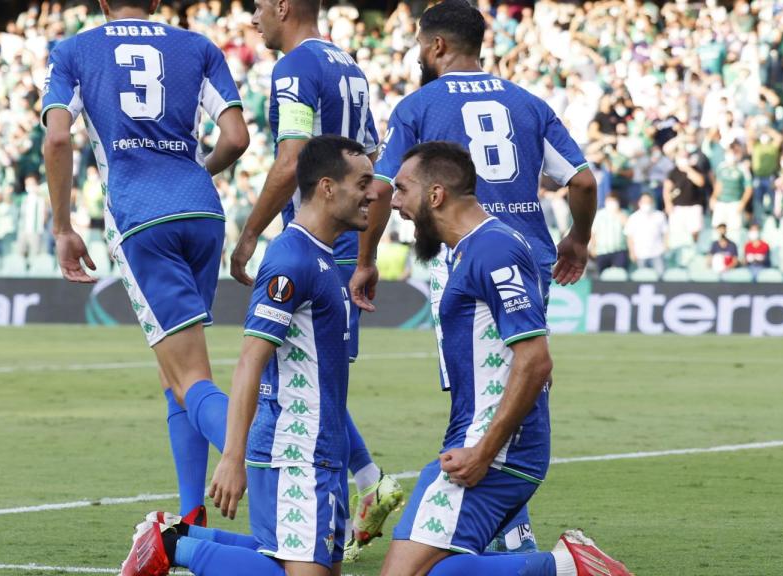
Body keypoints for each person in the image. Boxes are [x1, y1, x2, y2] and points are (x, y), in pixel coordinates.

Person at [349, 0, 597, 554]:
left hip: (463, 255)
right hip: (528, 255)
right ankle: (510, 528)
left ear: (436, 45)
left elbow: (383, 189)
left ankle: (509, 532)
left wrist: (366, 260)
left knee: (479, 390)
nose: (418, 54)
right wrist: (578, 238)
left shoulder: (419, 105)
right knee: (520, 376)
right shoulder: (528, 102)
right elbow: (581, 180)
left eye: (419, 45)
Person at [120, 135, 378, 576]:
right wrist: (232, 457)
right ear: (327, 187)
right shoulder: (290, 259)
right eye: (363, 182)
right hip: (293, 453)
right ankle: (170, 547)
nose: (373, 193)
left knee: (297, 563)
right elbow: (249, 362)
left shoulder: (322, 257)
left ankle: (177, 537)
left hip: (323, 453)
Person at [42, 0, 250, 528]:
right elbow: (236, 137)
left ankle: (267, 464)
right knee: (176, 371)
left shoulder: (74, 51)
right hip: (203, 212)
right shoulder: (198, 46)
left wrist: (63, 227)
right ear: (157, 2)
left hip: (141, 215)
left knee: (190, 375)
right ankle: (192, 516)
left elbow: (58, 136)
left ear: (102, 2)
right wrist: (197, 173)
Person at [379, 141, 631, 576]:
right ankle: (565, 565)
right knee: (439, 568)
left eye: (402, 189)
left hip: (493, 452)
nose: (393, 202)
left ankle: (565, 568)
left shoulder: (492, 249)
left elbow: (536, 362)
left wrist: (483, 451)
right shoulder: (473, 248)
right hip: (481, 443)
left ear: (435, 195)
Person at [227, 0, 403, 558]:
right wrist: (366, 254)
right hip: (345, 241)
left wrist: (250, 233)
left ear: (284, 6)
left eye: (259, 6)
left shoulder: (296, 67)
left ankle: (302, 500)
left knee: (295, 378)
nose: (255, 18)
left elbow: (292, 158)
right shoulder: (348, 64)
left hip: (317, 237)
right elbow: (373, 174)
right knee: (319, 377)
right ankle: (365, 480)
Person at [625, 193, 667, 275]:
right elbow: (629, 237)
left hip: (657, 252)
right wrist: (632, 252)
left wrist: (665, 246)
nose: (646, 204)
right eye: (644, 202)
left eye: (648, 202)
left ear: (652, 203)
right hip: (640, 254)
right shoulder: (633, 218)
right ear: (639, 203)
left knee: (660, 276)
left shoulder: (659, 215)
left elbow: (666, 232)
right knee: (642, 277)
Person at [591, 193, 629, 272]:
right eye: (609, 201)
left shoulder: (624, 213)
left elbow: (629, 230)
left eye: (614, 201)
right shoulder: (599, 214)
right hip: (602, 251)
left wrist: (618, 213)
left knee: (620, 274)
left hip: (619, 250)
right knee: (602, 275)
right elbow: (593, 233)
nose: (611, 203)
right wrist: (593, 247)